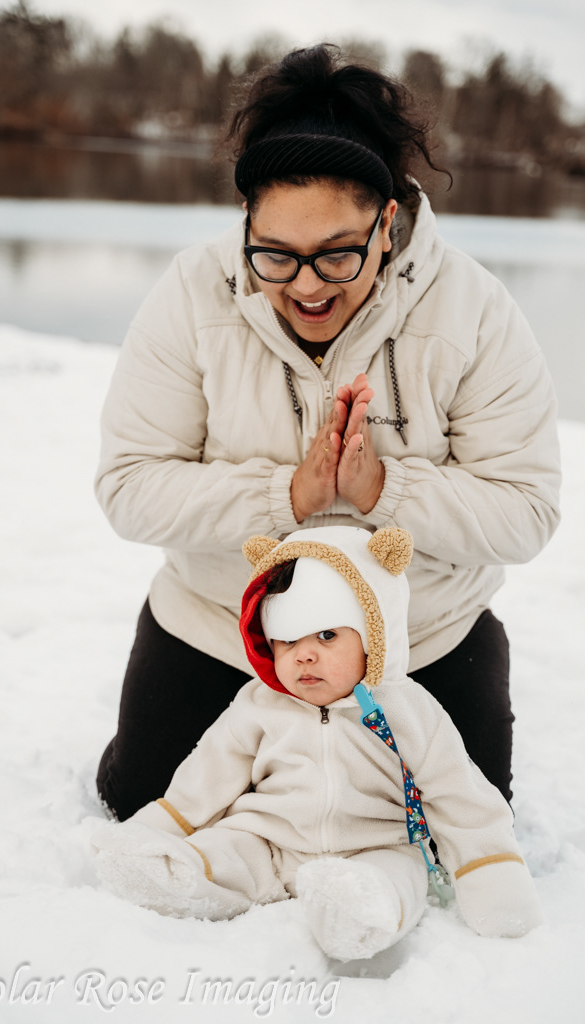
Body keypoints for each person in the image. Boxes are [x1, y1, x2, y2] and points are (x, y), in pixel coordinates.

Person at [94, 44, 560, 820]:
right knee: (139, 804)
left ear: (386, 222)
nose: (305, 287)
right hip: (220, 625)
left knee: (452, 833)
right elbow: (128, 486)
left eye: (336, 256)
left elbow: (525, 513)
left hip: (423, 638)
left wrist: (385, 491)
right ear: (246, 218)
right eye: (274, 255)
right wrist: (284, 495)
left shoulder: (474, 308)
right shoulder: (190, 289)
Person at [92, 527, 543, 961]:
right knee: (228, 852)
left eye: (327, 635)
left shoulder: (407, 711)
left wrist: (491, 868)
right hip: (271, 840)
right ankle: (174, 875)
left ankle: (358, 912)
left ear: (374, 633)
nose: (304, 655)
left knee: (394, 880)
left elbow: (458, 792)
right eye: (287, 641)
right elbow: (208, 772)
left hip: (376, 845)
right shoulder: (259, 704)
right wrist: (162, 826)